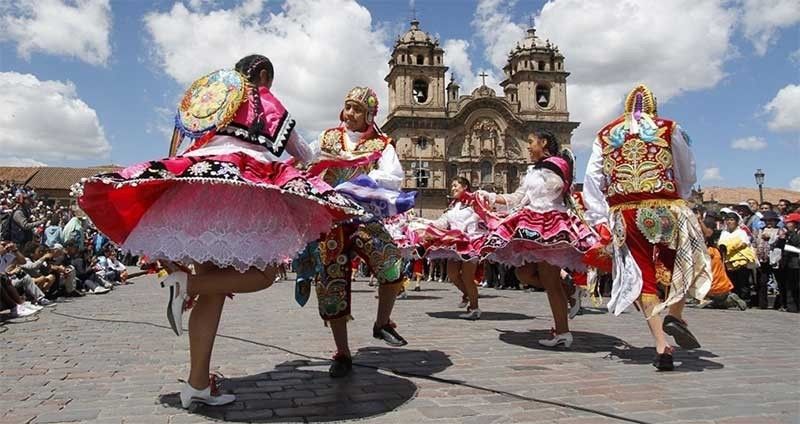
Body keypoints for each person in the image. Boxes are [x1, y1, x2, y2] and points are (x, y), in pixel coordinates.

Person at [77, 55, 363, 408]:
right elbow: (300, 151)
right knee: (264, 274)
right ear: (261, 75)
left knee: (215, 289)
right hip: (240, 191)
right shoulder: (261, 98)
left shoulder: (213, 100)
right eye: (268, 80)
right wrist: (333, 156)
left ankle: (198, 382)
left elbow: (183, 145)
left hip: (199, 189)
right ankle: (185, 285)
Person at [582, 85, 711, 371]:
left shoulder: (605, 134)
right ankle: (675, 314)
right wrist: (681, 197)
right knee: (682, 266)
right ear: (654, 107)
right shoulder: (669, 127)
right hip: (665, 208)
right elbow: (686, 170)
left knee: (643, 276)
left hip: (625, 214)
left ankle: (661, 344)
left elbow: (592, 180)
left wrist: (599, 217)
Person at [298, 86, 415, 378]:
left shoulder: (381, 144)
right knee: (331, 284)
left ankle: (382, 323)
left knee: (391, 265)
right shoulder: (327, 138)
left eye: (358, 109)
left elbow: (394, 176)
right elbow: (305, 161)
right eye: (348, 106)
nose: (350, 113)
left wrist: (362, 181)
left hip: (363, 217)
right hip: (330, 221)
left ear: (370, 114)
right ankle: (343, 352)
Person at [478, 130, 594, 345]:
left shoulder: (558, 164)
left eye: (531, 142)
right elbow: (517, 197)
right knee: (524, 274)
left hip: (551, 222)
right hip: (532, 221)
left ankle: (562, 333)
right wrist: (491, 197)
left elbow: (558, 187)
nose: (528, 147)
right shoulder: (532, 171)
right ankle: (569, 290)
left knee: (549, 280)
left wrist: (541, 187)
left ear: (544, 142)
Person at [418, 177, 490, 320]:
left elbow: (481, 216)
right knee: (452, 274)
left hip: (471, 241)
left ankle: (475, 308)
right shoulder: (452, 205)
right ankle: (468, 295)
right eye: (452, 185)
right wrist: (426, 225)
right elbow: (443, 221)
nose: (452, 188)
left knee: (467, 277)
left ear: (465, 187)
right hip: (455, 243)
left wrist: (466, 227)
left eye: (455, 185)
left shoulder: (473, 202)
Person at [719, 211, 757, 304]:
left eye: (731, 220)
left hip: (740, 261)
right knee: (732, 281)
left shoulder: (741, 232)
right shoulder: (724, 232)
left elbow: (744, 243)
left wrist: (730, 246)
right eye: (727, 220)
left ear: (736, 221)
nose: (729, 222)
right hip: (728, 261)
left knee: (743, 281)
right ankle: (734, 300)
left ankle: (744, 300)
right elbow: (720, 244)